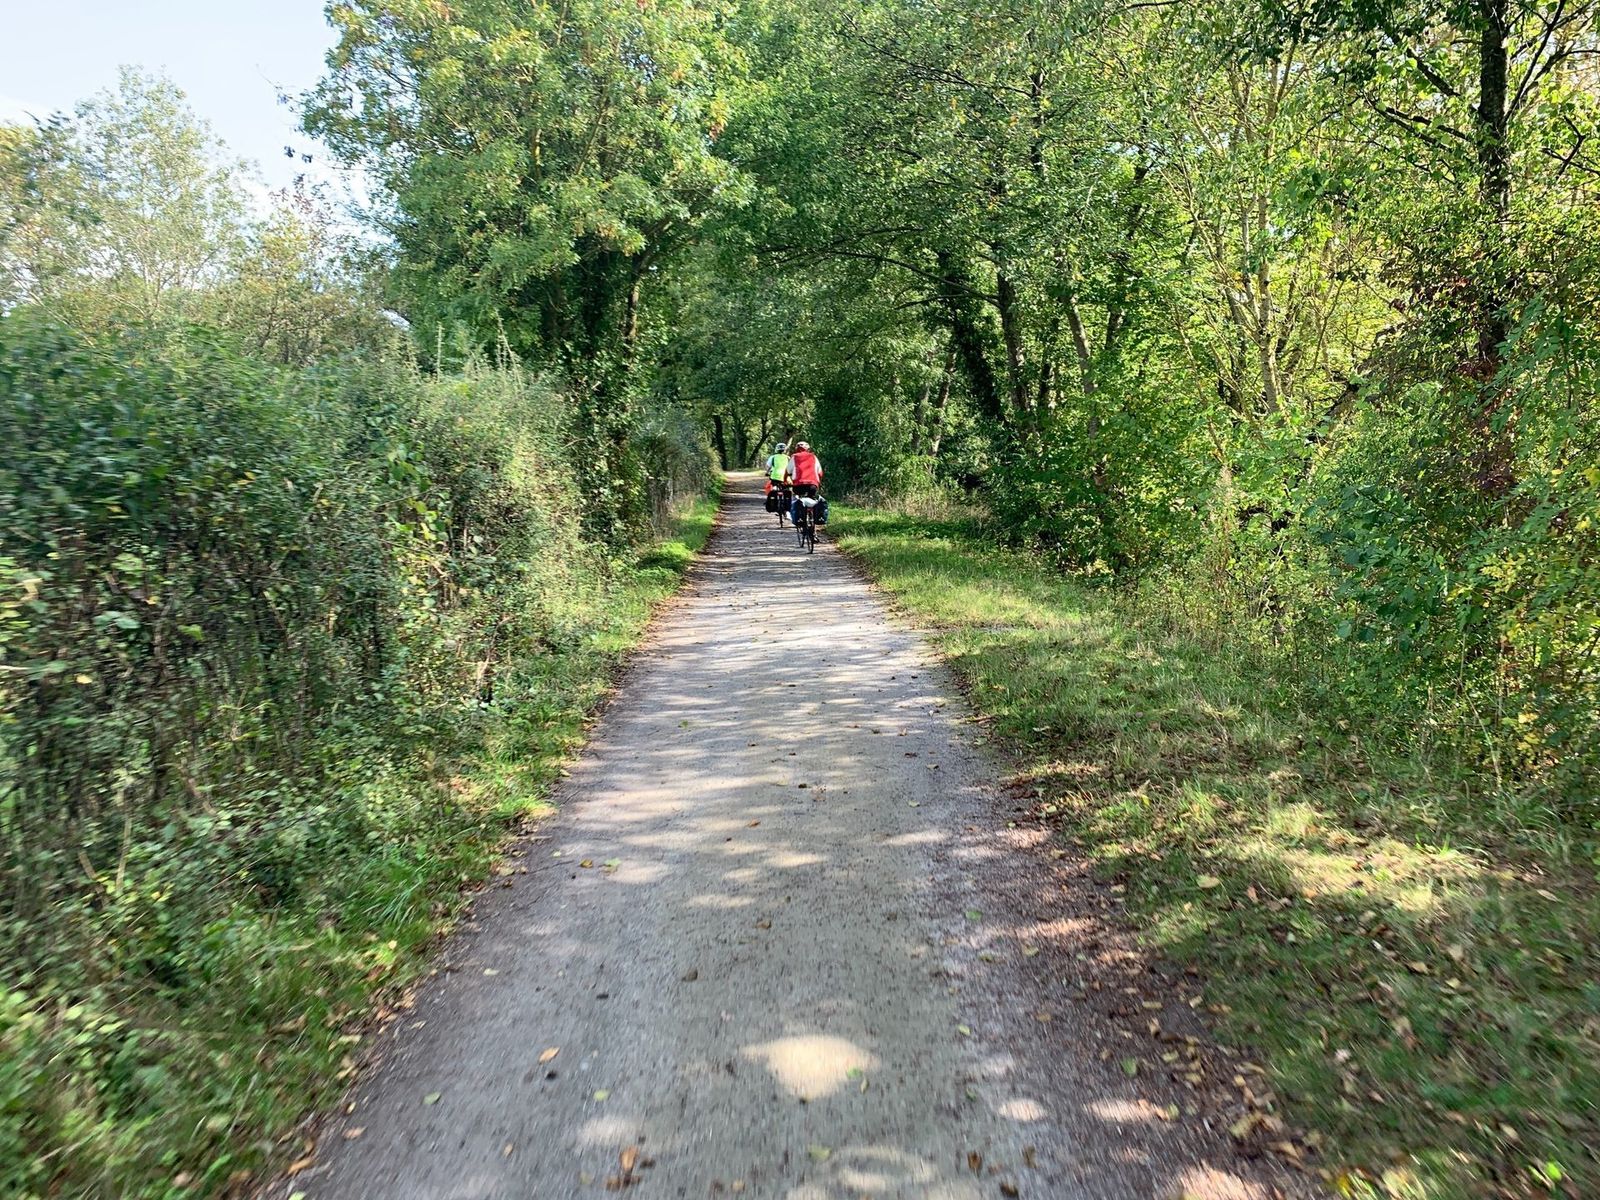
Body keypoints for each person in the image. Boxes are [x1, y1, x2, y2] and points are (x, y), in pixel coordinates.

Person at [784, 440, 827, 526]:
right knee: (812, 498)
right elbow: (820, 473)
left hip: (798, 486)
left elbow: (788, 471)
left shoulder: (794, 457)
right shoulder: (813, 457)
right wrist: (818, 482)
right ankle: (813, 519)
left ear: (796, 449)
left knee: (796, 499)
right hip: (812, 486)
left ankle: (797, 517)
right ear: (808, 449)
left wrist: (785, 480)